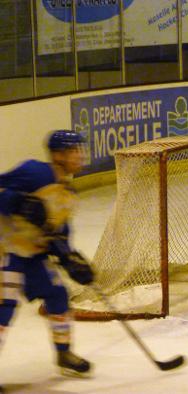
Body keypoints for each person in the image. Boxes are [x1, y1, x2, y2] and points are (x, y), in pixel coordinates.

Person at [0, 130, 94, 377]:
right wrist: (17, 202)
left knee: (58, 295)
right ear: (57, 154)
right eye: (73, 150)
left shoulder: (69, 197)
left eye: (80, 150)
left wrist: (68, 257)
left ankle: (63, 353)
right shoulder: (34, 172)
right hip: (5, 250)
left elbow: (58, 235)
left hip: (32, 256)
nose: (80, 156)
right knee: (3, 307)